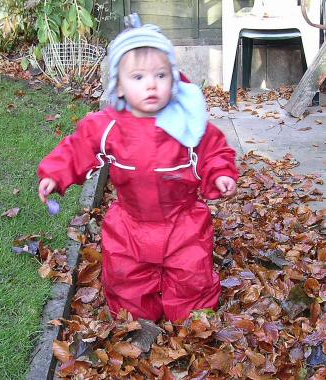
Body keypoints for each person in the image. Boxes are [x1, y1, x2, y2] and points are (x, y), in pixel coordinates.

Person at [38, 14, 238, 322]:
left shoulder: (186, 124)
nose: (151, 85)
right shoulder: (108, 126)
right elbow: (79, 147)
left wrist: (220, 173)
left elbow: (213, 149)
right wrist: (55, 173)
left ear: (174, 79)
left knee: (191, 272)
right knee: (126, 276)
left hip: (183, 219)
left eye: (161, 75)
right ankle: (138, 319)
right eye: (138, 78)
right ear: (118, 86)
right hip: (131, 221)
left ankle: (191, 319)